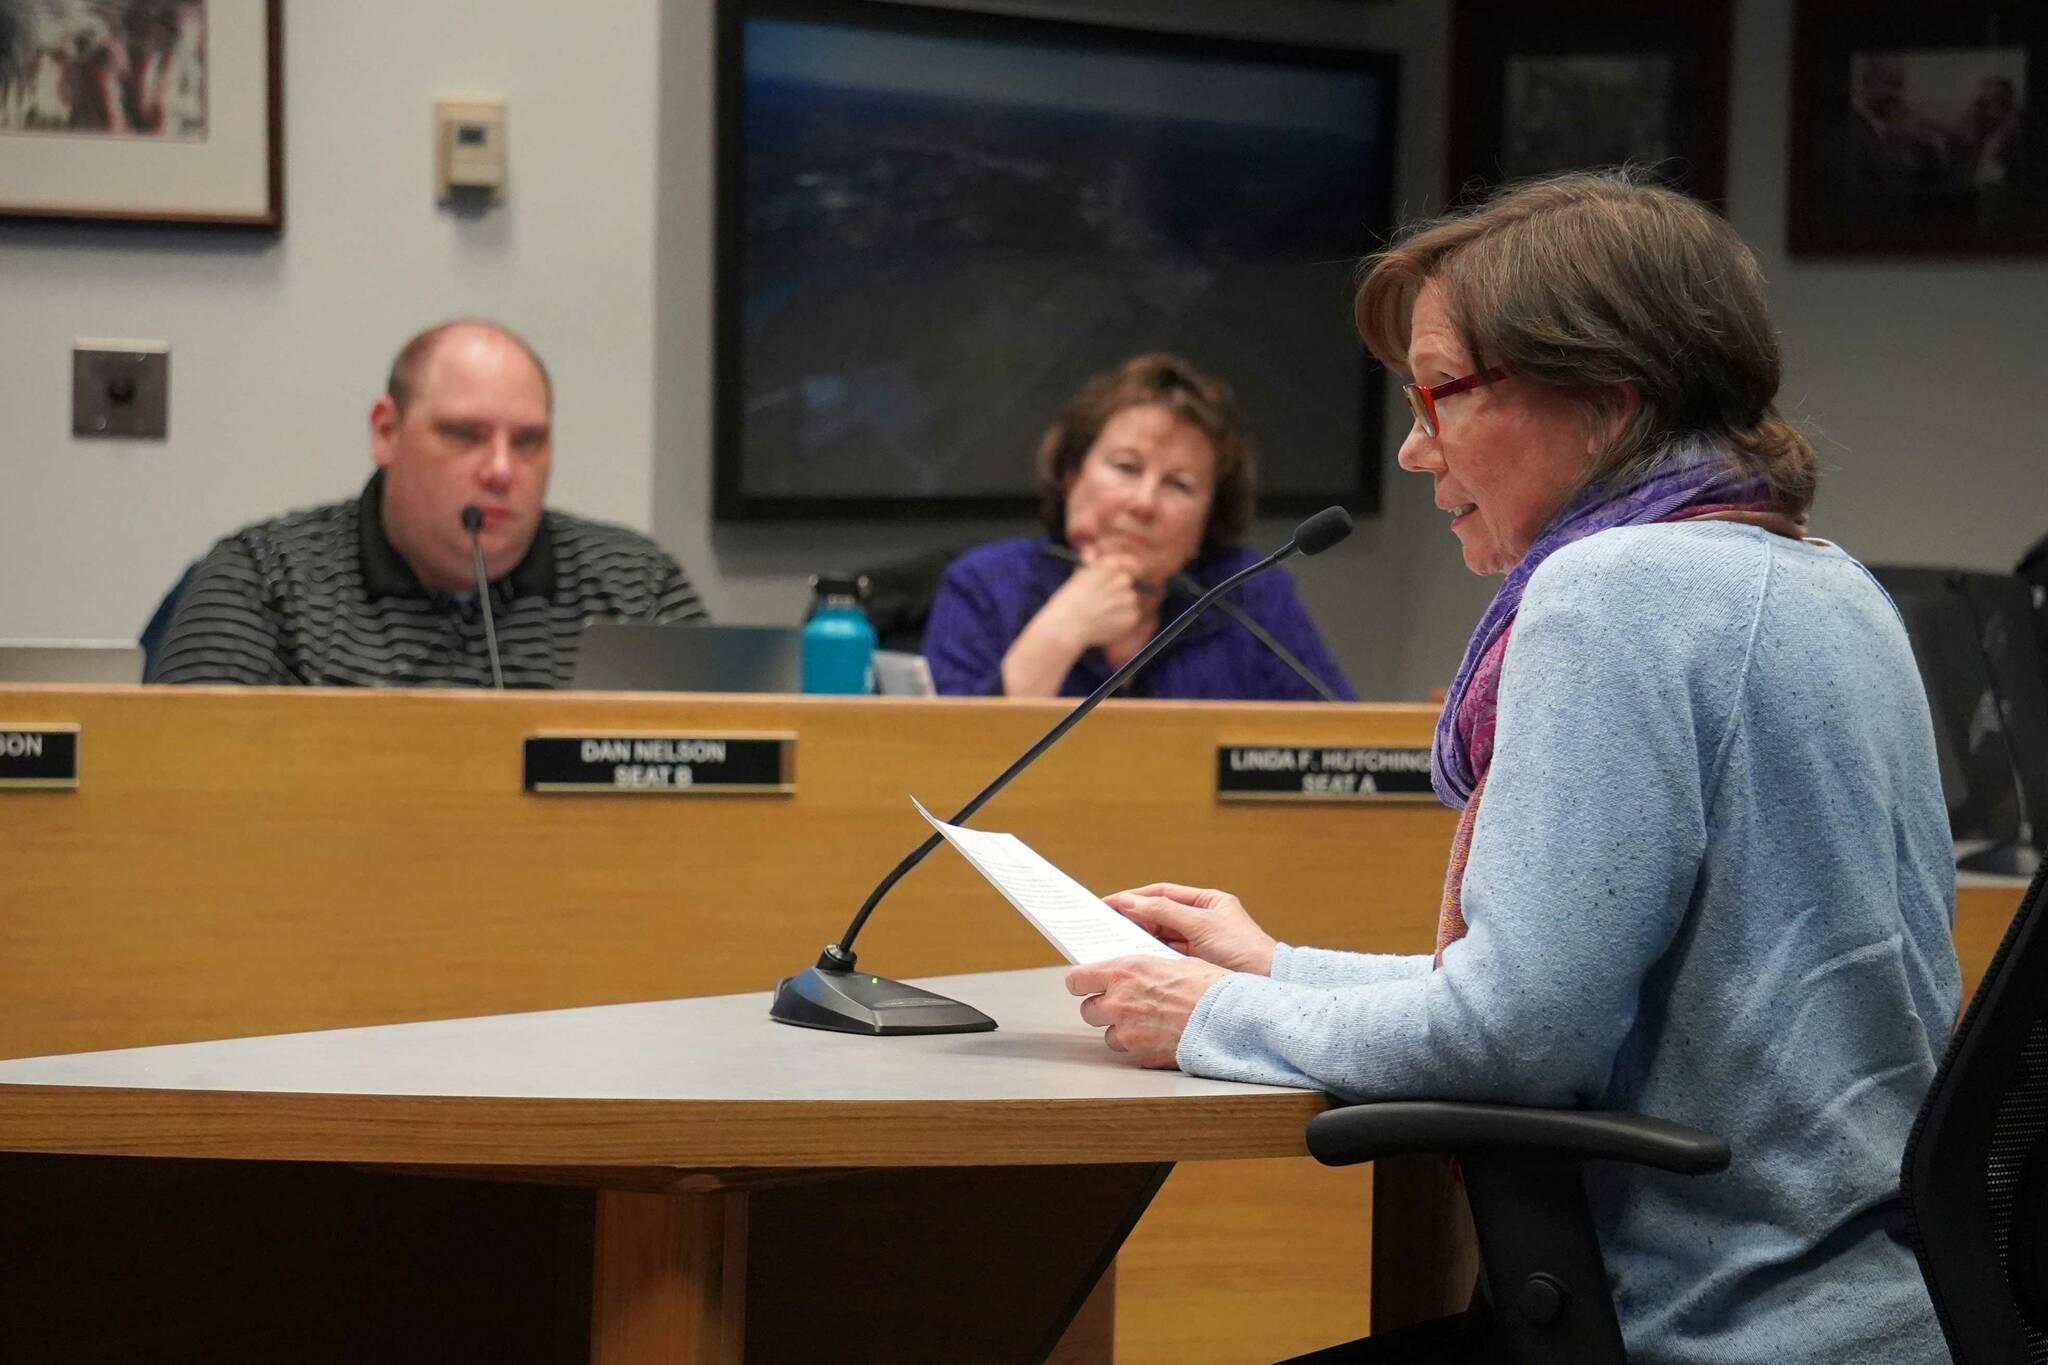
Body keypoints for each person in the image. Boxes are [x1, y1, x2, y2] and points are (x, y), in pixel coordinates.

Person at [1065, 173, 1961, 1364]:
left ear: (1600, 394)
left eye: (1437, 395)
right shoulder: (1826, 580)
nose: (1412, 447)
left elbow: (1519, 1043)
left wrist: (1215, 1015)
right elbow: (1587, 998)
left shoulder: (1613, 593)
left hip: (1708, 1326)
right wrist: (1281, 965)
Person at [148, 319, 706, 687]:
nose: (502, 470)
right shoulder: (266, 579)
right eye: (465, 435)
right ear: (387, 432)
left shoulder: (636, 585)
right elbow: (181, 778)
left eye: (529, 441)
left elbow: (741, 780)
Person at [921, 353, 1353, 701]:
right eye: (1126, 467)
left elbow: (1347, 755)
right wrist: (1061, 630)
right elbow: (948, 773)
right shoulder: (984, 585)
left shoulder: (1247, 594)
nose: (1143, 503)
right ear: (1071, 474)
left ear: (1209, 516)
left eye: (1179, 485)